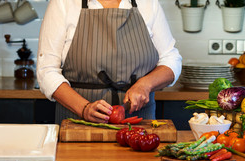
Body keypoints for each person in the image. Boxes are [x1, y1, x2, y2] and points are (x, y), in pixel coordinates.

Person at [36, 0, 182, 124]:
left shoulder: (148, 3)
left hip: (140, 125)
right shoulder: (63, 4)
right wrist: (84, 108)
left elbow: (171, 59)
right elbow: (46, 71)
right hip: (78, 124)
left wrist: (145, 84)